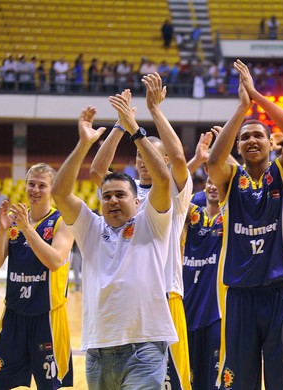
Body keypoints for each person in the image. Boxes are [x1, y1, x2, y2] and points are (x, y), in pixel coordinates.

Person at [52, 97, 177, 389]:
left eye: (120, 195)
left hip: (144, 348)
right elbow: (60, 193)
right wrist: (84, 144)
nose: (113, 201)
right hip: (97, 351)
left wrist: (134, 129)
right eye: (106, 196)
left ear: (137, 201)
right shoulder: (90, 227)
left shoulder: (152, 222)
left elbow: (162, 180)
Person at [90, 74, 194, 390]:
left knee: (174, 384)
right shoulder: (125, 194)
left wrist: (152, 113)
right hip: (129, 305)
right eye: (138, 157)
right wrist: (121, 125)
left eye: (151, 155)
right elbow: (97, 172)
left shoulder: (175, 192)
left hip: (164, 296)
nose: (143, 161)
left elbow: (177, 158)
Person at [207, 59, 283, 390]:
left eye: (258, 135)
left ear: (270, 143)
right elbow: (212, 161)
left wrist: (256, 96)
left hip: (280, 292)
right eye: (245, 137)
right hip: (239, 295)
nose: (251, 140)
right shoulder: (230, 179)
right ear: (238, 146)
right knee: (238, 381)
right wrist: (241, 108)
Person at [0, 163, 74, 389]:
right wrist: (2, 230)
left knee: (49, 385)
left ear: (52, 190)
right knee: (2, 383)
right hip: (14, 315)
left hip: (47, 316)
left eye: (42, 185)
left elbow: (55, 261)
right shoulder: (15, 221)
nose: (35, 189)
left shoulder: (62, 221)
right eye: (31, 184)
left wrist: (27, 229)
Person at [182, 176, 223, 389]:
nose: (213, 185)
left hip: (216, 312)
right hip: (188, 306)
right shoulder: (194, 215)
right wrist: (197, 159)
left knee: (214, 379)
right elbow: (174, 194)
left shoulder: (230, 216)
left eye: (218, 181)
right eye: (209, 181)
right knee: (191, 378)